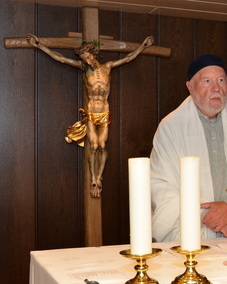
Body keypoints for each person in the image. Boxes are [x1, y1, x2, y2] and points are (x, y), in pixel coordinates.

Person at [150, 54, 227, 241]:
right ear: (190, 87)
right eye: (207, 81)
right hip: (190, 235)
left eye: (221, 80)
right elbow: (161, 186)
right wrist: (210, 216)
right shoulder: (171, 127)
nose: (216, 88)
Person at [26, 34, 154, 198]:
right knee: (93, 145)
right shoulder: (84, 70)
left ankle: (100, 175)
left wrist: (143, 45)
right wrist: (40, 46)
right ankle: (94, 178)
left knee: (102, 146)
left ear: (93, 54)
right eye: (85, 59)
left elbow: (128, 58)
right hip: (92, 112)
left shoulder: (108, 66)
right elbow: (61, 59)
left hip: (105, 112)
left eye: (88, 56)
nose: (87, 61)